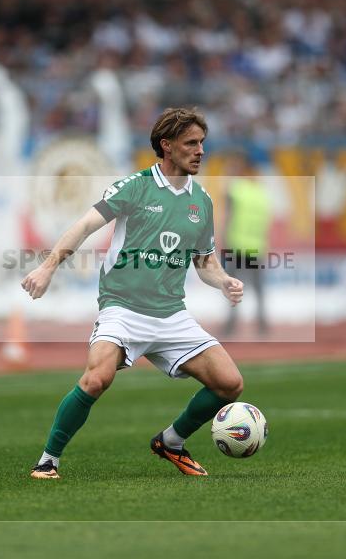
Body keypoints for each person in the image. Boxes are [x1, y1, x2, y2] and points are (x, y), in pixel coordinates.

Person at [22, 107, 245, 479]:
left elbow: (205, 262)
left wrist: (223, 281)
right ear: (166, 146)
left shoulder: (201, 201)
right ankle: (49, 459)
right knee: (95, 379)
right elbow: (85, 225)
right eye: (191, 143)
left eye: (202, 143)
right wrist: (47, 267)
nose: (200, 150)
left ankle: (171, 441)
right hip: (122, 309)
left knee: (230, 384)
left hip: (171, 314)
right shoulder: (136, 187)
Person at [222, 153, 272, 336]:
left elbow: (228, 216)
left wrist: (222, 239)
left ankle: (231, 326)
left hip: (237, 245)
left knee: (233, 288)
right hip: (256, 247)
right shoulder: (260, 193)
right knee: (258, 289)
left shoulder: (236, 189)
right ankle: (263, 326)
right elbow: (266, 223)